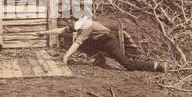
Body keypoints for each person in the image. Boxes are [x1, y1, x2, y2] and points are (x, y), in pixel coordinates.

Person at [39, 15, 168, 73]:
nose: (67, 24)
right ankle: (100, 59)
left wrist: (66, 57)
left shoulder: (86, 25)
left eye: (68, 21)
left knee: (129, 65)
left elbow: (77, 44)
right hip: (99, 42)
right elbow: (62, 31)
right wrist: (44, 32)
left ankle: (157, 66)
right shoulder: (77, 25)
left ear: (73, 20)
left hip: (109, 41)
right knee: (81, 42)